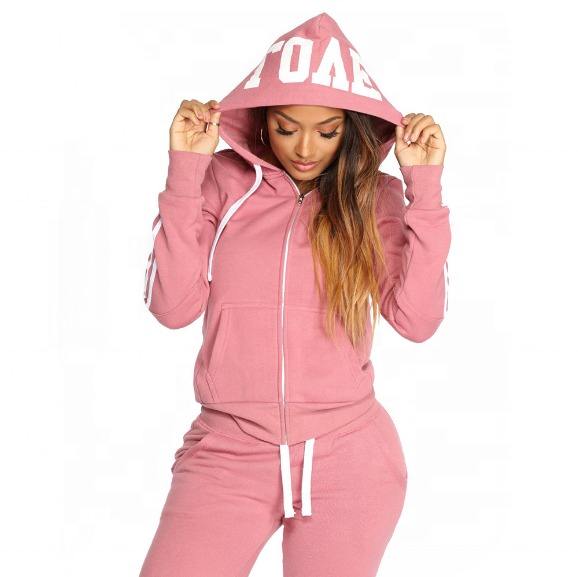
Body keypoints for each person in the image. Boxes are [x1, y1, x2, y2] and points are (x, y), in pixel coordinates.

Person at [139, 11, 450, 577]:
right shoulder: (222, 182)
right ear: (263, 119)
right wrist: (185, 173)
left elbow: (417, 320)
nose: (305, 148)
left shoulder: (373, 198)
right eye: (286, 127)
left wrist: (424, 191)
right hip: (227, 451)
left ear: (351, 127)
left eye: (327, 132)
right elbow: (173, 307)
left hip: (350, 458)